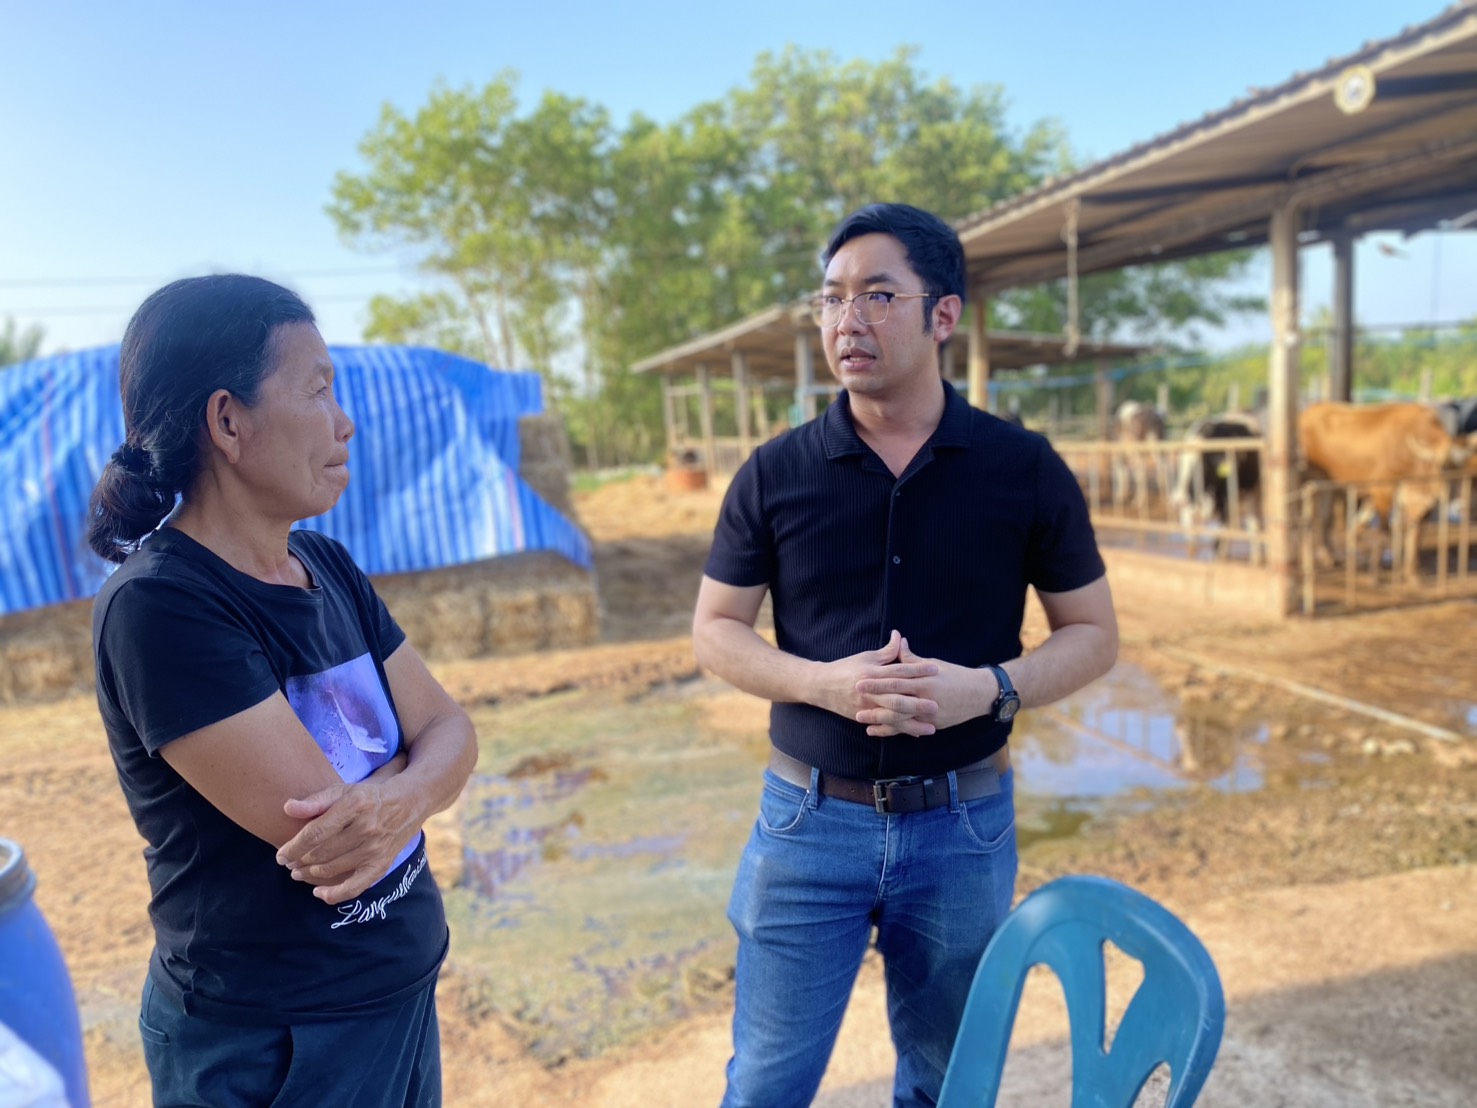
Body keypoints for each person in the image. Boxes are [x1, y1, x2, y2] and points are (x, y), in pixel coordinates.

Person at [693, 203, 1118, 1107]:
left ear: (943, 314)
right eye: (831, 297)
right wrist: (821, 684)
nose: (847, 319)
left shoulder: (1022, 468)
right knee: (765, 1084)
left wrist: (990, 689)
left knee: (942, 1085)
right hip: (806, 825)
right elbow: (715, 629)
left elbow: (1092, 634)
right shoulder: (774, 472)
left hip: (963, 829)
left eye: (877, 295)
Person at [88, 274, 478, 1107]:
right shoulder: (163, 606)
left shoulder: (325, 565)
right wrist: (418, 781)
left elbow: (453, 728)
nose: (344, 422)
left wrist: (399, 796)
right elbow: (327, 833)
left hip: (392, 993)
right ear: (228, 421)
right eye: (317, 390)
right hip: (277, 1041)